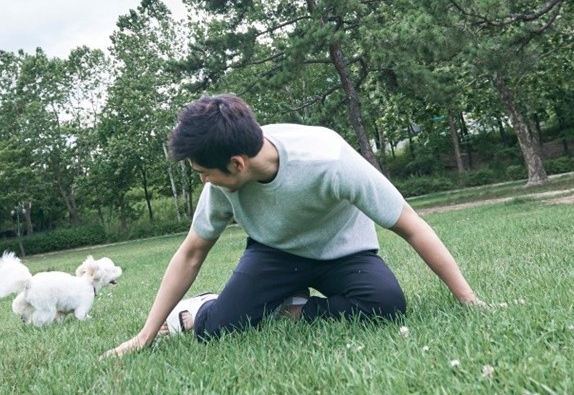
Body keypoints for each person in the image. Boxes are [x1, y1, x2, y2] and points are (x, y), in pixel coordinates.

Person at [105, 94, 481, 357]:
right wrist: (145, 335)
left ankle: (289, 308)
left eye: (205, 174)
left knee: (386, 306)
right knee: (217, 330)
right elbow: (191, 253)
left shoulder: (329, 159)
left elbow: (411, 224)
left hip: (342, 251)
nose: (205, 182)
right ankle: (198, 308)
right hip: (274, 253)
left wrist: (469, 300)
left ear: (237, 164)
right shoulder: (222, 183)